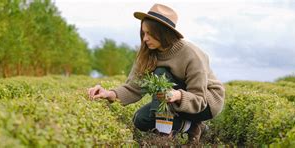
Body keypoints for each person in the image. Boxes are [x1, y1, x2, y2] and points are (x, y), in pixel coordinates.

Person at [87, 3, 225, 144]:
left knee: (160, 73)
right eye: (143, 33)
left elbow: (199, 99)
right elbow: (133, 87)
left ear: (163, 32)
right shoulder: (147, 53)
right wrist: (108, 93)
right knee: (141, 119)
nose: (145, 38)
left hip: (205, 102)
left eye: (149, 33)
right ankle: (192, 127)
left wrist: (177, 95)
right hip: (173, 99)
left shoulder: (191, 54)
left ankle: (163, 137)